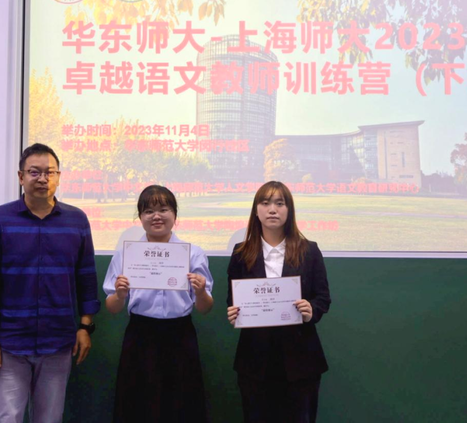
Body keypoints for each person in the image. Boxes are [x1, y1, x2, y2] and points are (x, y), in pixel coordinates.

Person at [0, 143, 100, 423]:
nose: (43, 179)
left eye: (49, 172)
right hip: (9, 344)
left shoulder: (76, 221)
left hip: (58, 342)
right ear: (21, 176)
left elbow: (86, 277)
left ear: (58, 176)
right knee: (6, 417)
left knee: (49, 419)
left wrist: (85, 326)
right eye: (34, 172)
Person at [104, 185, 214, 423]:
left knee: (182, 406)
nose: (156, 216)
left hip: (180, 335)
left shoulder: (193, 253)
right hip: (140, 335)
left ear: (174, 214)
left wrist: (201, 292)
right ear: (140, 217)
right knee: (137, 406)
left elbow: (205, 308)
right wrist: (120, 295)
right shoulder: (125, 254)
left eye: (163, 209)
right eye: (148, 211)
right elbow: (112, 307)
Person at [226, 181, 331, 423]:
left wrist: (311, 310)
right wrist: (234, 313)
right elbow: (233, 299)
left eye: (280, 203)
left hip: (301, 359)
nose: (272, 209)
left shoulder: (309, 250)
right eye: (265, 203)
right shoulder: (241, 253)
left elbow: (323, 297)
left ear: (289, 210)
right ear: (256, 210)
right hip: (254, 360)